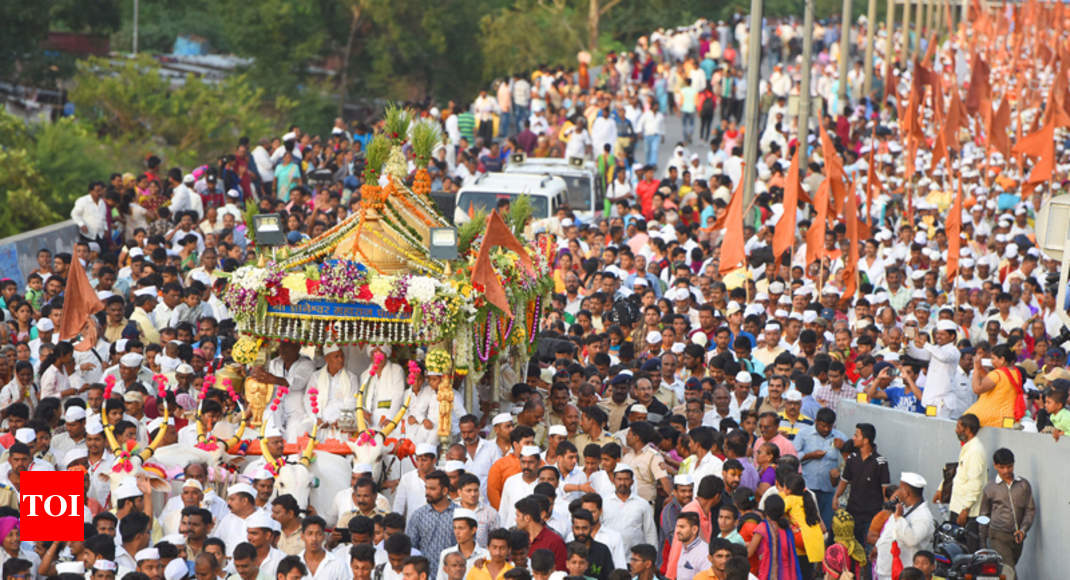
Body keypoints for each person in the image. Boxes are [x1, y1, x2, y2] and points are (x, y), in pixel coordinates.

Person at [979, 448, 1035, 580]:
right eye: (1002, 467)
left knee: (1005, 572)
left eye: (1009, 467)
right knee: (1009, 573)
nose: (1006, 471)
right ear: (995, 466)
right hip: (997, 536)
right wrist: (983, 544)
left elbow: (1030, 509)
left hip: (1017, 538)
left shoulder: (1023, 485)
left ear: (1014, 464)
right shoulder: (990, 488)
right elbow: (983, 515)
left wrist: (1023, 530)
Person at [833, 423, 889, 546]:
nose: (853, 438)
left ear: (866, 440)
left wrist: (885, 513)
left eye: (856, 435)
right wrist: (836, 496)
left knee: (868, 548)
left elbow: (885, 489)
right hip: (852, 512)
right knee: (852, 547)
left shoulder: (880, 462)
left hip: (872, 515)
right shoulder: (852, 458)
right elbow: (844, 480)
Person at [874, 473, 934, 580]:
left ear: (906, 492)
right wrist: (878, 547)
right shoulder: (903, 508)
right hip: (886, 571)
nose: (898, 492)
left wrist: (899, 518)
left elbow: (912, 539)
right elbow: (890, 531)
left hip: (902, 574)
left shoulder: (923, 516)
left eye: (900, 488)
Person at [940, 414, 986, 551]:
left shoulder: (976, 451)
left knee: (966, 550)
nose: (956, 430)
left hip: (967, 513)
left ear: (967, 429)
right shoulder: (968, 448)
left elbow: (976, 483)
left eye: (958, 426)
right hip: (959, 507)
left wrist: (965, 509)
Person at [745, 495, 799, 580]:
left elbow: (749, 553)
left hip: (769, 573)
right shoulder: (787, 527)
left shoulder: (763, 527)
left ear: (766, 510)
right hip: (787, 574)